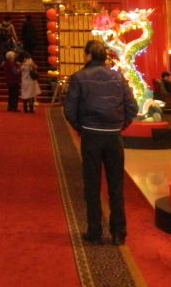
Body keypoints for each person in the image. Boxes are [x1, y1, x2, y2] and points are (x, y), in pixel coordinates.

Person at [63, 39, 138, 246]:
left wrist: (82, 128)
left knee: (92, 185)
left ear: (87, 55)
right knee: (116, 185)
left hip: (91, 136)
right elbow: (132, 107)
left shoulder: (79, 77)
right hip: (114, 136)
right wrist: (120, 125)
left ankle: (94, 231)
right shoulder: (118, 77)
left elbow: (69, 110)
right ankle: (118, 233)